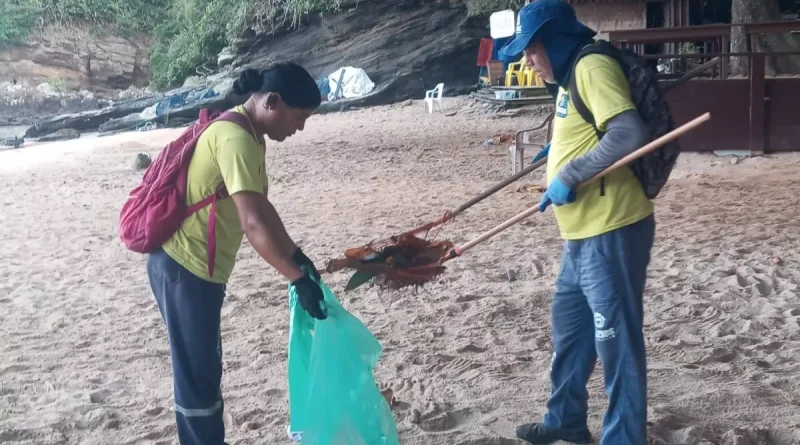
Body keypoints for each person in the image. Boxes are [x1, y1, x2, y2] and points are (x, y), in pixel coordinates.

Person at [146, 62, 327, 445]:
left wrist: (297, 255)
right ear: (272, 101)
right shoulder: (235, 138)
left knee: (204, 368)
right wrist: (296, 278)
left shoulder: (251, 135)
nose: (299, 128)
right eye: (299, 117)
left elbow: (262, 207)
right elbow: (252, 223)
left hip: (197, 270)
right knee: (197, 374)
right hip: (184, 267)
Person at [500, 1, 656, 444]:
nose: (528, 61)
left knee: (616, 344)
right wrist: (559, 150)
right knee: (571, 331)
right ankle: (565, 420)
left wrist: (569, 174)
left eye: (532, 50)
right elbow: (593, 128)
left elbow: (628, 132)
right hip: (581, 234)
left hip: (611, 229)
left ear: (555, 41)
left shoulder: (590, 67)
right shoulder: (569, 77)